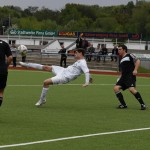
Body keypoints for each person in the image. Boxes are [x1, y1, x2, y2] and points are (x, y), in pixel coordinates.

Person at [19, 48, 93, 107]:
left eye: (76, 53)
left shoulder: (83, 62)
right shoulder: (80, 61)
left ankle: (42, 100)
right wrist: (90, 78)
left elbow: (86, 71)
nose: (75, 54)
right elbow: (85, 72)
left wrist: (87, 82)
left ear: (81, 53)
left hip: (64, 77)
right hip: (63, 70)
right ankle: (26, 64)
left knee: (46, 82)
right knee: (45, 67)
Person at [113, 44, 147, 110]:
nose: (118, 51)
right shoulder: (121, 59)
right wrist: (120, 76)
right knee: (116, 88)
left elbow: (138, 61)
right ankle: (123, 105)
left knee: (131, 89)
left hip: (130, 76)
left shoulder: (130, 55)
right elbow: (123, 70)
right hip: (123, 77)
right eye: (118, 49)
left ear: (124, 50)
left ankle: (143, 104)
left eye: (120, 49)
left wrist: (135, 69)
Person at [0, 40, 13, 106]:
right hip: (2, 69)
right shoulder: (4, 44)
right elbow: (10, 58)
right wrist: (6, 66)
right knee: (1, 91)